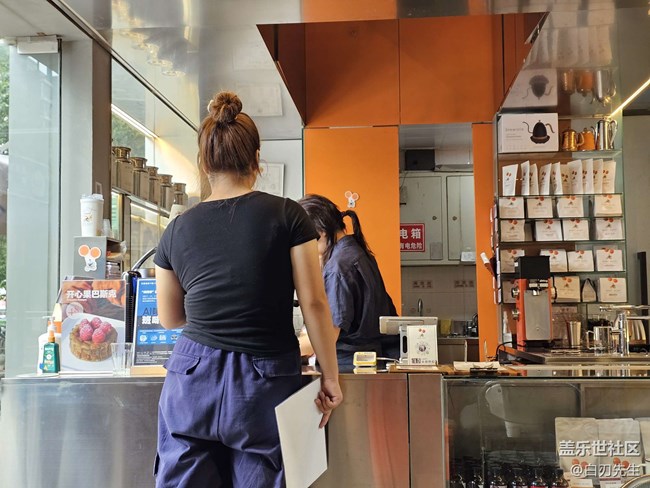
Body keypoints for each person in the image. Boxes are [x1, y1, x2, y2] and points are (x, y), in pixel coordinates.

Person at [153, 91, 342, 488]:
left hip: (191, 377)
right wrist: (330, 377)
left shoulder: (177, 228)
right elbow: (313, 303)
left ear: (204, 162)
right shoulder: (288, 215)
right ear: (257, 159)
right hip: (263, 380)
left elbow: (170, 318)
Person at [297, 194, 399, 366]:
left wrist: (276, 350)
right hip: (367, 361)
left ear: (320, 232)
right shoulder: (357, 253)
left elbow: (325, 338)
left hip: (348, 365)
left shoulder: (338, 267)